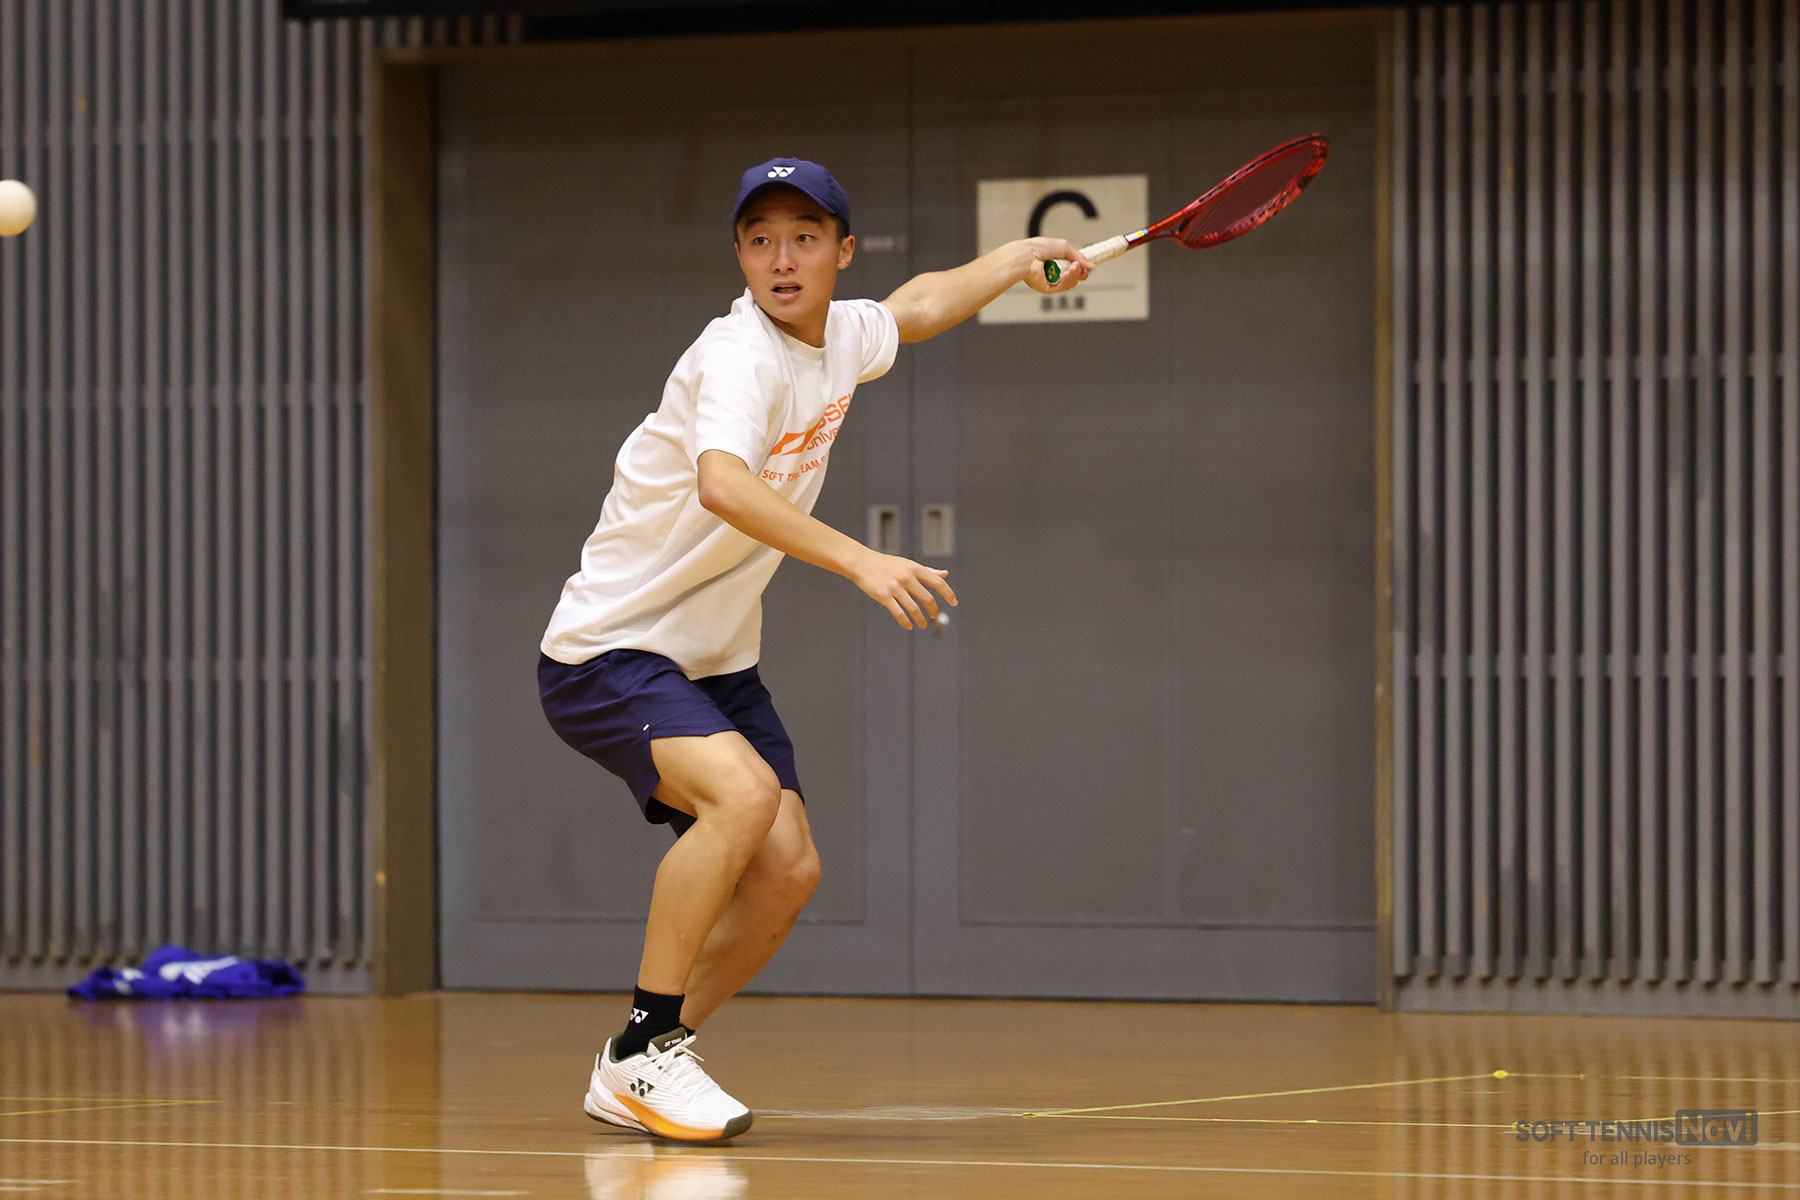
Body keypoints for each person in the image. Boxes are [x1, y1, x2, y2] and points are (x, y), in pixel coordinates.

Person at [538, 157, 1092, 1142]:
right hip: (610, 650)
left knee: (788, 873)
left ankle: (638, 1063)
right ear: (740, 257)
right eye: (760, 241)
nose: (782, 259)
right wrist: (860, 560)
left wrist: (1014, 260)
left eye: (803, 238)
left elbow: (917, 307)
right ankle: (648, 1047)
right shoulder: (738, 357)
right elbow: (723, 484)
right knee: (742, 799)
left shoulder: (840, 337)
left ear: (842, 251)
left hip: (713, 660)